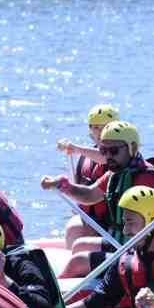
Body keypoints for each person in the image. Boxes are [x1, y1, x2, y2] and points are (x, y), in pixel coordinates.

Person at [40, 120, 154, 257]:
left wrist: (136, 260)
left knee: (77, 261)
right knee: (79, 246)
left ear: (133, 147)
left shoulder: (150, 179)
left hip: (141, 249)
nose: (108, 156)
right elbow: (90, 195)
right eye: (103, 150)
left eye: (113, 151)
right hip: (118, 242)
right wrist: (63, 185)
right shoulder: (115, 174)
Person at [54, 103, 121, 249]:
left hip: (112, 222)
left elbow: (104, 158)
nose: (100, 132)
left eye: (104, 127)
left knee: (75, 232)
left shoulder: (119, 155)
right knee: (73, 228)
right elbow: (79, 186)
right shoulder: (86, 156)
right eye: (95, 127)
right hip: (92, 218)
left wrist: (75, 148)